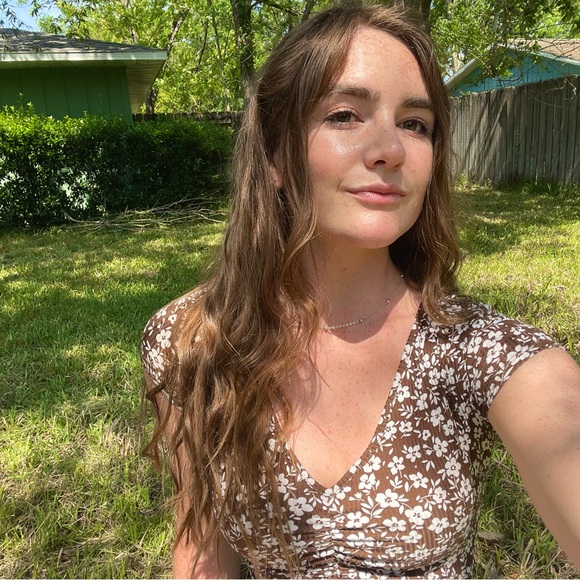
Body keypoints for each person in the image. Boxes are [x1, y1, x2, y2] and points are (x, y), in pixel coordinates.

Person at [141, 3, 580, 578]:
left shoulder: (482, 354)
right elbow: (203, 551)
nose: (391, 149)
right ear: (274, 154)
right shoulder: (191, 341)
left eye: (415, 124)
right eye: (346, 115)